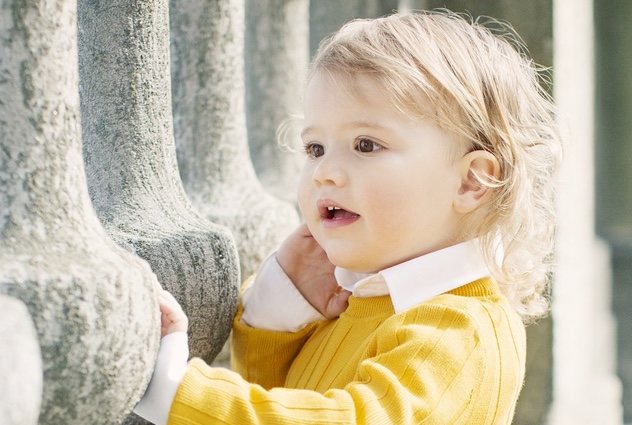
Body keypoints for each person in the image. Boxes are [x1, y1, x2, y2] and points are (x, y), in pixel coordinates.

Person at [135, 9, 560, 425]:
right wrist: (279, 314)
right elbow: (284, 403)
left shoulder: (460, 332)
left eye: (366, 145)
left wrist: (176, 393)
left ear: (471, 183)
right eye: (315, 149)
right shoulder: (360, 306)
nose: (324, 172)